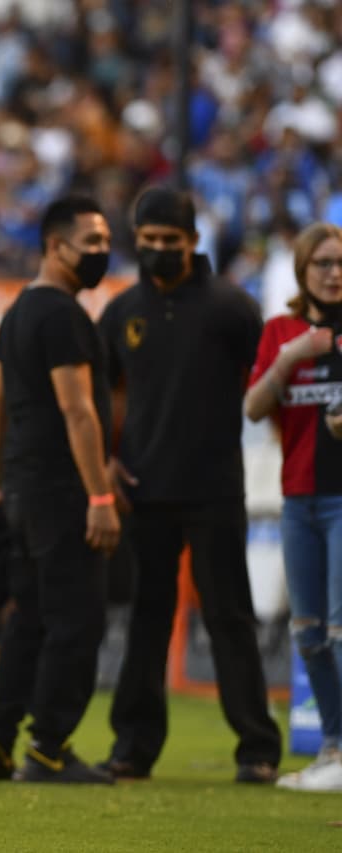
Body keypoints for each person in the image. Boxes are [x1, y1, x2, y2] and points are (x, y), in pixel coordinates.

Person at [97, 187, 282, 783]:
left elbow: (268, 386)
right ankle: (133, 749)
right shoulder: (124, 310)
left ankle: (257, 748)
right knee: (147, 619)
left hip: (215, 487)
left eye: (168, 243)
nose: (156, 251)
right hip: (144, 490)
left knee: (230, 617)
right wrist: (102, 457)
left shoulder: (232, 307)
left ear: (194, 242)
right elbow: (89, 391)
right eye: (147, 242)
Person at [0, 195, 119, 785]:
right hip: (63, 492)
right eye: (92, 243)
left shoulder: (18, 313)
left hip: (24, 491)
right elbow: (78, 411)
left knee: (28, 619)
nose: (103, 253)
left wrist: (0, 484)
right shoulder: (63, 317)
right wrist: (100, 496)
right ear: (56, 247)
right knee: (76, 621)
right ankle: (49, 747)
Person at [245, 222, 342, 792]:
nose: (333, 273)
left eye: (340, 262)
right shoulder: (281, 331)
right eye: (322, 263)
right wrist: (289, 358)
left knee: (338, 630)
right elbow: (254, 408)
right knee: (307, 633)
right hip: (299, 497)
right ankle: (332, 750)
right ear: (303, 270)